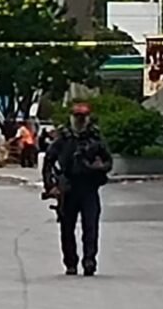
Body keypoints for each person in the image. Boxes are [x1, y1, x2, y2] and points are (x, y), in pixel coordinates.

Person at [42, 102, 112, 276]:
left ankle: (89, 261)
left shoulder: (95, 138)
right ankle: (70, 263)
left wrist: (98, 167)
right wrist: (50, 186)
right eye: (77, 117)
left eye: (83, 117)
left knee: (91, 227)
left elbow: (108, 162)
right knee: (67, 228)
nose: (80, 121)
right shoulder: (63, 139)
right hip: (68, 188)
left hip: (89, 187)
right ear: (71, 118)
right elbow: (48, 162)